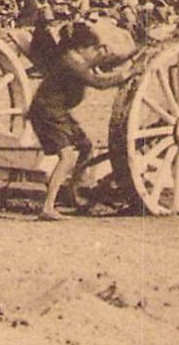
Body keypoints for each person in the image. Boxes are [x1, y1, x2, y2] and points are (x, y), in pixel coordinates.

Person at [26, 23, 140, 220]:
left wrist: (131, 55)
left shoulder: (76, 58)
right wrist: (126, 74)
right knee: (67, 157)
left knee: (86, 146)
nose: (97, 53)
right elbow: (100, 83)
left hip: (57, 112)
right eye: (94, 49)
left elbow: (105, 62)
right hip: (48, 113)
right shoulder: (71, 63)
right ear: (81, 48)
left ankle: (75, 192)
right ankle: (48, 207)